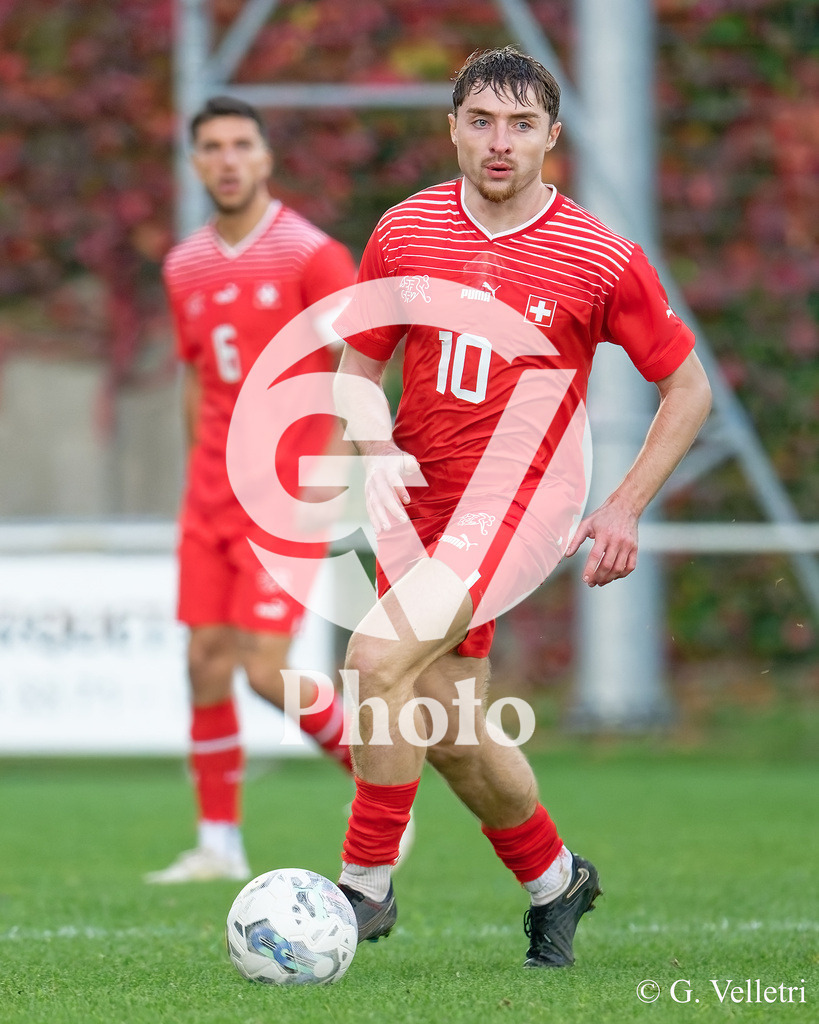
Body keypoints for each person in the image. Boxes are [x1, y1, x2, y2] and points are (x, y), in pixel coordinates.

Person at [331, 47, 712, 967]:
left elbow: (688, 388)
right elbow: (357, 366)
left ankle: (363, 891)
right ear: (452, 127)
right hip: (414, 507)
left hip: (518, 508)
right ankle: (556, 881)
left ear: (552, 136)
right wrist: (373, 444)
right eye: (481, 121)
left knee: (372, 659)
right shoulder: (405, 229)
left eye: (521, 125)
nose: (500, 143)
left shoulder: (598, 255)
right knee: (455, 734)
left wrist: (622, 505)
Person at [146, 97, 357, 884]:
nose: (228, 159)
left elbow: (357, 370)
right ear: (196, 163)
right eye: (212, 147)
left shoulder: (313, 255)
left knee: (266, 670)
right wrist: (197, 473)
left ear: (266, 159)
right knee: (203, 659)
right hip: (209, 496)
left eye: (242, 145)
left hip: (285, 493)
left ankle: (378, 793)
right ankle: (216, 844)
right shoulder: (183, 264)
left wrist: (329, 478)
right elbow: (198, 375)